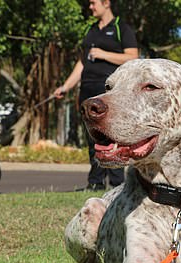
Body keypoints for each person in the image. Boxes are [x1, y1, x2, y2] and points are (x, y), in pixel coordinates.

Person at [54, 0, 138, 191]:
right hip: (87, 89)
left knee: (112, 136)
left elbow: (132, 56)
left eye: (93, 3)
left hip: (109, 91)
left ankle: (118, 184)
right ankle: (95, 183)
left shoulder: (121, 28)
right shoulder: (90, 30)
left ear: (106, 3)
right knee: (92, 137)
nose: (90, 7)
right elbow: (82, 63)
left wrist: (103, 54)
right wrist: (66, 87)